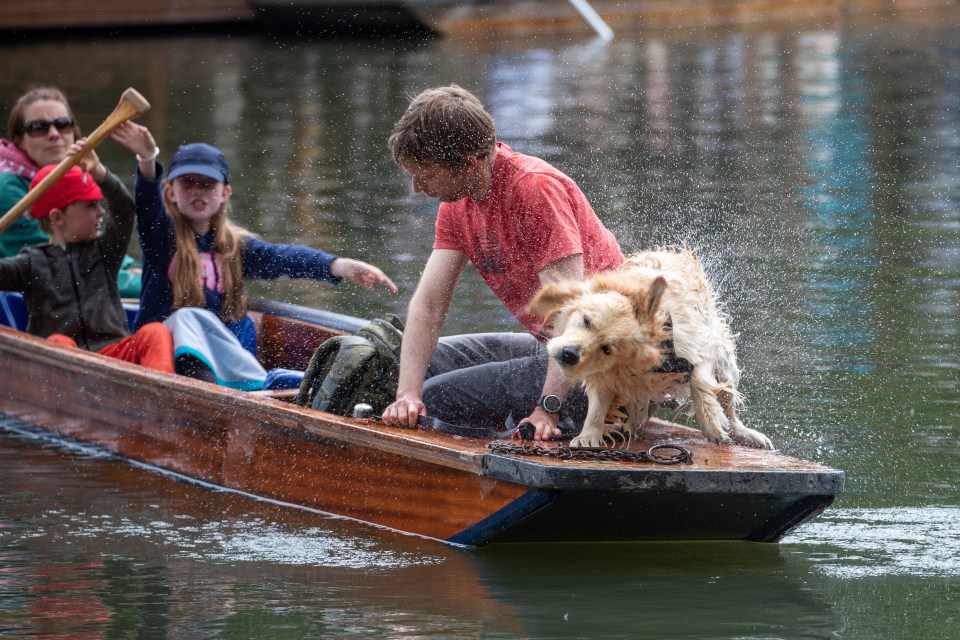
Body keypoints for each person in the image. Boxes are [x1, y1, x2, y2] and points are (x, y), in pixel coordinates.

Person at [380, 84, 625, 440]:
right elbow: (430, 305)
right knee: (412, 366)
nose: (417, 187)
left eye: (427, 174)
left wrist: (547, 410)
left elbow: (572, 313)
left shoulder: (534, 190)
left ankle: (530, 446)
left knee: (439, 397)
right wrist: (406, 394)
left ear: (468, 163)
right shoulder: (455, 204)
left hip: (604, 362)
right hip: (553, 348)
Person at [113, 122, 398, 389]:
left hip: (220, 360)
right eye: (188, 183)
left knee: (242, 323)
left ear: (225, 193)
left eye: (207, 184)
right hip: (164, 360)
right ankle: (241, 388)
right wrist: (148, 159)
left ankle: (263, 387)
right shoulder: (160, 239)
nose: (197, 191)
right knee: (188, 317)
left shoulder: (235, 247)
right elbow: (147, 207)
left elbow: (284, 258)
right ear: (171, 193)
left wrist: (340, 265)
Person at [0, 153, 174, 373]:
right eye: (91, 206)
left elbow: (124, 209)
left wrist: (100, 174)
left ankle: (160, 400)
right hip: (64, 369)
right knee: (57, 343)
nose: (102, 211)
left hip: (113, 361)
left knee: (155, 332)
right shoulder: (30, 263)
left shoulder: (105, 251)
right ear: (57, 218)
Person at [1, 86, 143, 297]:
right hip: (46, 291)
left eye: (63, 124)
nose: (54, 135)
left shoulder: (81, 175)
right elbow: (63, 256)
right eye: (38, 127)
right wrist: (136, 280)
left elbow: (114, 220)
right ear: (19, 138)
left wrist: (128, 263)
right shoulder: (6, 187)